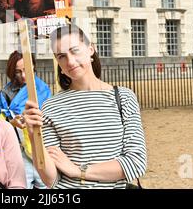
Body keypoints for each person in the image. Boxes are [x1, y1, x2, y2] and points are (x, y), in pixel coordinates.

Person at [24, 24, 147, 188]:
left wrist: (78, 171)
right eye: (61, 56)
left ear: (90, 49)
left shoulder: (124, 98)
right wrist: (33, 137)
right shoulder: (50, 107)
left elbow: (136, 162)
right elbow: (51, 180)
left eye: (74, 50)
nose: (70, 61)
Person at [0, 51, 51, 189]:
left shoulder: (43, 89)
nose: (24, 75)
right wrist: (10, 123)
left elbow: (51, 120)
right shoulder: (6, 93)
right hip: (18, 152)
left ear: (34, 66)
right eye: (18, 72)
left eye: (27, 70)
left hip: (42, 149)